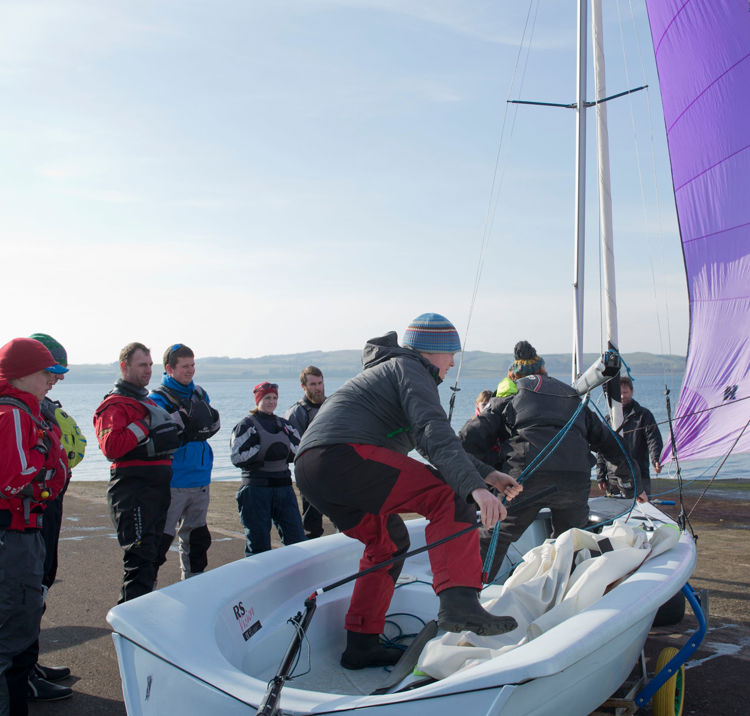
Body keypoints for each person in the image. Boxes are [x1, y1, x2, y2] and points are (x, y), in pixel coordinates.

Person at [294, 313, 522, 671]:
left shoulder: (394, 372)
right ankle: (459, 602)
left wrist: (490, 475)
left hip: (313, 469)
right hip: (343, 456)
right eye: (451, 355)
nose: (452, 363)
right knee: (449, 495)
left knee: (388, 543)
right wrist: (474, 490)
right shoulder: (411, 368)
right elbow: (434, 431)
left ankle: (361, 645)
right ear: (434, 351)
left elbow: (434, 443)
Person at [459, 340, 638, 581]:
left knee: (496, 534)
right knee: (571, 539)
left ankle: (471, 594)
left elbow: (468, 438)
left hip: (525, 476)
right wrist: (629, 481)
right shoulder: (571, 394)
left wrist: (482, 472)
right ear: (543, 371)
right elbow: (610, 443)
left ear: (513, 375)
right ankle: (570, 592)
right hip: (575, 478)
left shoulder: (510, 393)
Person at [0, 338, 68, 716]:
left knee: (22, 624)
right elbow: (13, 477)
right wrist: (45, 471)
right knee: (10, 637)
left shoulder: (27, 411)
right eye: (47, 372)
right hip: (12, 536)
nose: (51, 380)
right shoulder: (12, 414)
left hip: (23, 531)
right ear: (23, 374)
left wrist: (47, 472)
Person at [25, 334, 87, 703]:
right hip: (32, 509)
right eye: (52, 371)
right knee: (26, 589)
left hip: (49, 504)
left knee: (42, 580)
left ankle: (29, 663)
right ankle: (21, 671)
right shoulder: (20, 408)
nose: (57, 379)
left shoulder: (43, 406)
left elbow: (70, 445)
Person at [93, 342, 180, 603]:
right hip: (133, 490)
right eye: (142, 365)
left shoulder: (146, 402)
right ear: (124, 367)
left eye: (150, 365)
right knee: (140, 561)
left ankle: (142, 621)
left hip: (157, 488)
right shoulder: (114, 405)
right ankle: (128, 631)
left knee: (152, 559)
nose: (148, 370)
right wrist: (144, 424)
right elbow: (111, 447)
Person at [150, 344, 220, 580]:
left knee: (198, 540)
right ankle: (145, 590)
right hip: (173, 480)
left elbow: (208, 426)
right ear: (169, 368)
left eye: (193, 365)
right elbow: (157, 436)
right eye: (185, 366)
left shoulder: (200, 393)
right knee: (160, 540)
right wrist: (182, 425)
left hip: (200, 477)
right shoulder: (157, 398)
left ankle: (192, 586)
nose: (190, 370)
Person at [230, 382, 306, 556]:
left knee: (297, 539)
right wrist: (263, 450)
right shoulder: (246, 426)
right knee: (258, 545)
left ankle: (298, 579)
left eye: (274, 398)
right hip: (256, 490)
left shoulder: (285, 426)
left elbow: (299, 450)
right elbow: (236, 457)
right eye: (266, 398)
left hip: (283, 488)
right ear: (258, 400)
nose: (271, 402)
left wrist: (280, 449)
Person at [596, 376, 663, 498]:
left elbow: (653, 439)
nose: (622, 396)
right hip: (613, 479)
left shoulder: (644, 415)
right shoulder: (608, 419)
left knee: (642, 512)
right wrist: (600, 475)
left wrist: (656, 459)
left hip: (639, 475)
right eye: (619, 393)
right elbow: (601, 449)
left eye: (625, 392)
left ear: (632, 391)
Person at [283, 366, 326, 539]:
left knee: (343, 517)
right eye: (313, 384)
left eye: (321, 383)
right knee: (312, 524)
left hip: (335, 470)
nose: (318, 388)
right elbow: (291, 448)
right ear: (304, 387)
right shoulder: (296, 413)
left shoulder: (333, 405)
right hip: (310, 474)